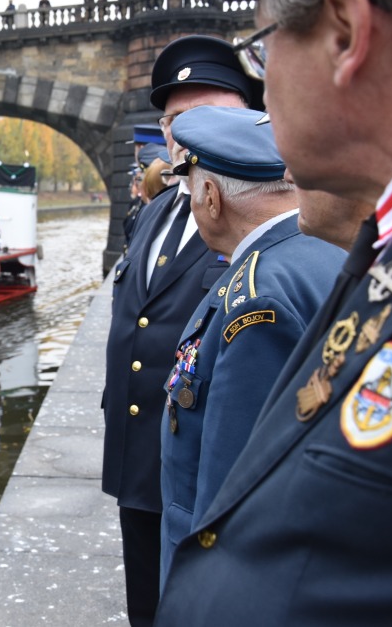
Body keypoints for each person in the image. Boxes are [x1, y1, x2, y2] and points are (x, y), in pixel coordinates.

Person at [154, 0, 392, 623]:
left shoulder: (266, 292)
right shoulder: (376, 252)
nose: (262, 82)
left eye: (262, 45)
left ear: (345, 33)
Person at [102, 34, 262, 627]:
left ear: (252, 117)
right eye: (173, 119)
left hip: (201, 465)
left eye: (204, 115)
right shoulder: (161, 207)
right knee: (144, 604)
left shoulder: (260, 214)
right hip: (134, 455)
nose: (182, 131)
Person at [158, 105, 346, 585]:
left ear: (210, 195)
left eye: (189, 185)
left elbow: (232, 500)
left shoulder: (257, 300)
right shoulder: (324, 253)